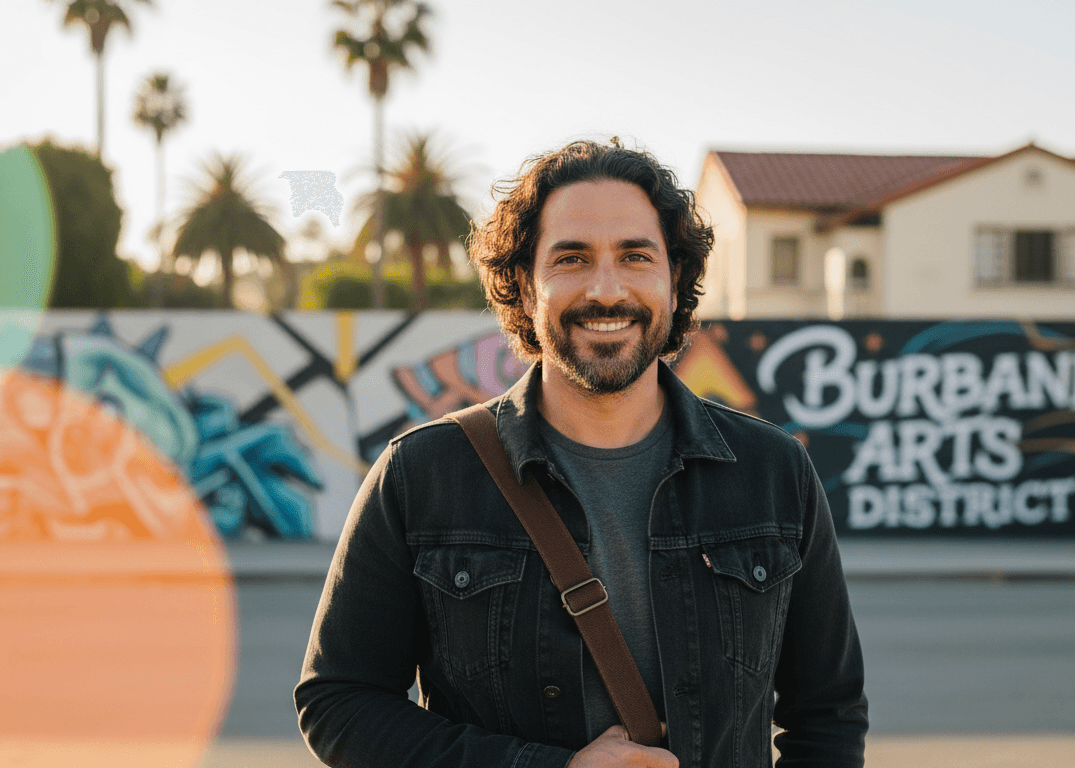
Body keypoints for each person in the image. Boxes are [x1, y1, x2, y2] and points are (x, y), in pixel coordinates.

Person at [295, 139, 868, 768]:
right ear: (523, 283)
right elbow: (339, 702)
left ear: (674, 281)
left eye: (635, 256)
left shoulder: (773, 471)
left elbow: (828, 715)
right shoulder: (422, 475)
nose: (606, 289)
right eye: (571, 258)